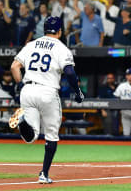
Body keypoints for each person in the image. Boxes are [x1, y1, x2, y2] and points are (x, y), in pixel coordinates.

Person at [9, 16, 84, 184]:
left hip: (28, 89)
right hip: (48, 91)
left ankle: (22, 120)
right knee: (51, 136)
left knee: (31, 137)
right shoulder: (61, 48)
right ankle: (43, 174)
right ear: (60, 31)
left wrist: (20, 85)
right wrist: (77, 92)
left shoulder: (31, 44)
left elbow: (14, 66)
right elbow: (70, 73)